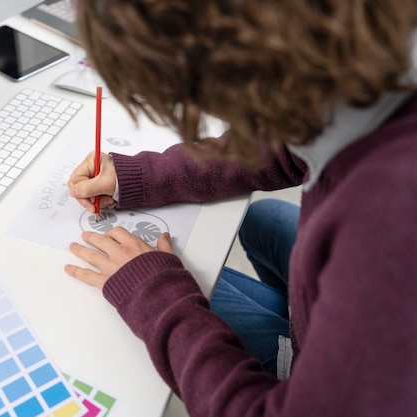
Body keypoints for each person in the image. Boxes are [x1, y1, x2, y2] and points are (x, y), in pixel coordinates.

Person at [63, 1, 417, 416]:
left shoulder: (388, 222)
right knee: (259, 219)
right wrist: (140, 176)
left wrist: (152, 294)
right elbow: (285, 148)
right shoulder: (370, 64)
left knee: (166, 285)